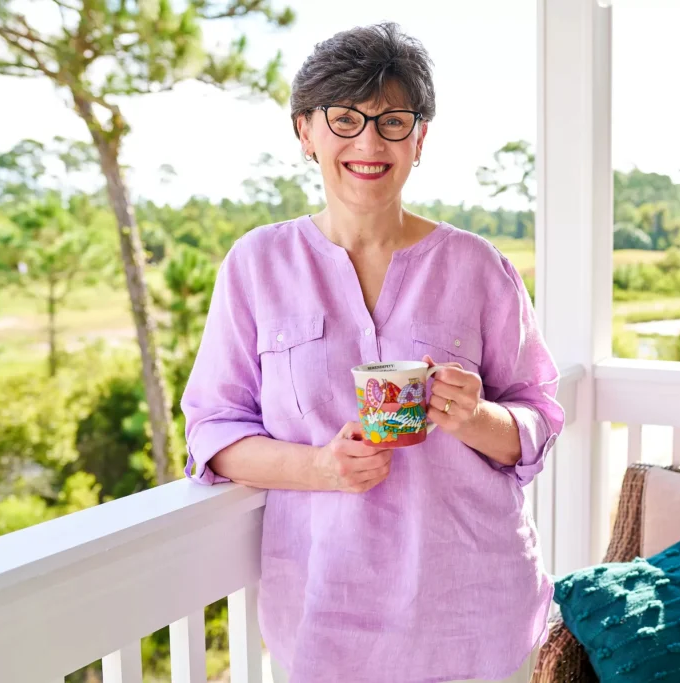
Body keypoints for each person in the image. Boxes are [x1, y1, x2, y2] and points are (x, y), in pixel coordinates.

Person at [181, 21, 564, 683]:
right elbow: (215, 430)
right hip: (324, 620)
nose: (369, 141)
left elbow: (534, 420)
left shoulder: (477, 266)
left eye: (393, 122)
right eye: (345, 118)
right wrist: (322, 467)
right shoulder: (256, 265)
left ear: (420, 138)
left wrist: (475, 417)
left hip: (476, 612)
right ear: (305, 131)